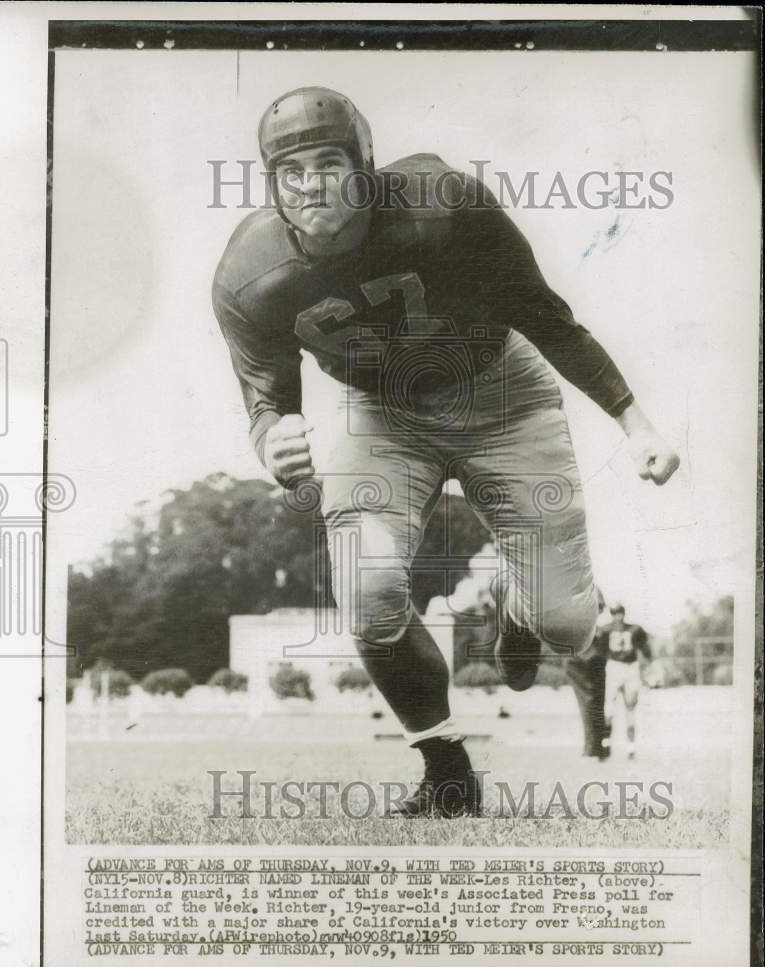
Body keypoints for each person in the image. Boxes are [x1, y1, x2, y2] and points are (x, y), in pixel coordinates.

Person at [212, 87, 679, 817]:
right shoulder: (250, 276)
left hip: (501, 394)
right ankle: (445, 770)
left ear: (365, 166)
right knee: (365, 595)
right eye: (291, 171)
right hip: (384, 415)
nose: (311, 185)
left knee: (567, 625)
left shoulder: (444, 205)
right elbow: (267, 396)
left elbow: (543, 315)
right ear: (271, 185)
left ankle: (518, 614)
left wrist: (635, 423)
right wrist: (273, 440)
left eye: (328, 163)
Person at [601, 602, 652, 759]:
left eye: (620, 612)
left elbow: (645, 649)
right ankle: (606, 743)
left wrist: (649, 667)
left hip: (630, 668)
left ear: (624, 613)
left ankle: (631, 747)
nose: (618, 616)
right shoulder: (605, 630)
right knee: (609, 708)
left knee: (630, 707)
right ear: (612, 614)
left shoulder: (635, 629)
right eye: (615, 613)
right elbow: (599, 651)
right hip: (614, 667)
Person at [566, 589, 611, 759]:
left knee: (594, 702)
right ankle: (594, 746)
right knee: (591, 703)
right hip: (581, 656)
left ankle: (596, 746)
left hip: (591, 655)